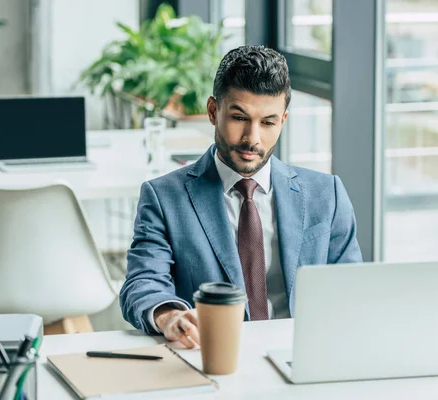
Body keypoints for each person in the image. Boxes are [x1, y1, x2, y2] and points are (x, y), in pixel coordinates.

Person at [120, 45, 362, 348]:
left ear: (283, 121)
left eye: (268, 122)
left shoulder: (327, 194)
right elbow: (143, 282)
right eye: (239, 117)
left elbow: (351, 289)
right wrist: (170, 316)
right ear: (213, 111)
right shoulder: (163, 197)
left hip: (302, 355)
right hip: (212, 356)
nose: (252, 138)